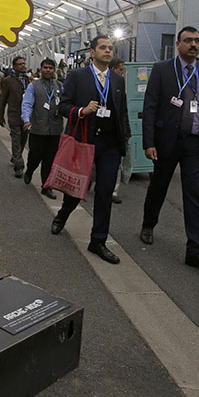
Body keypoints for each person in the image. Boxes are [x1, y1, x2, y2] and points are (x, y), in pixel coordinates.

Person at [140, 26, 199, 270]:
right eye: (188, 40)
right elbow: (150, 106)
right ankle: (148, 223)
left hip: (195, 144)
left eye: (197, 40)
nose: (193, 45)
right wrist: (149, 142)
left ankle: (196, 251)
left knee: (195, 196)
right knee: (159, 186)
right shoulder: (163, 69)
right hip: (167, 141)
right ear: (178, 44)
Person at [52, 35, 130, 264]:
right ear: (92, 52)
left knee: (105, 193)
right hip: (84, 141)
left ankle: (98, 241)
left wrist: (125, 138)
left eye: (110, 48)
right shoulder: (77, 76)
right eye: (103, 48)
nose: (108, 51)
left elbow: (121, 112)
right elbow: (63, 106)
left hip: (110, 145)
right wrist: (81, 111)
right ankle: (63, 214)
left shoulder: (117, 79)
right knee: (77, 189)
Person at [21, 58, 64, 199]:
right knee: (35, 156)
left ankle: (46, 186)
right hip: (37, 128)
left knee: (50, 160)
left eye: (51, 68)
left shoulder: (59, 86)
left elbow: (65, 103)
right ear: (41, 69)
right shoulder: (34, 86)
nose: (48, 70)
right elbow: (27, 104)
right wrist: (26, 120)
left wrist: (62, 109)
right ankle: (30, 171)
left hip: (54, 129)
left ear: (54, 70)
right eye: (45, 68)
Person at [0, 56, 30, 177]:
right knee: (16, 139)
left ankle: (15, 157)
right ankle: (19, 165)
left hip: (26, 116)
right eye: (20, 64)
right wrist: (0, 116)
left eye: (24, 63)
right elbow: (3, 99)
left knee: (23, 139)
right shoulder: (8, 81)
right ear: (14, 66)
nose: (23, 66)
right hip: (14, 114)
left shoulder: (27, 79)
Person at [110, 58, 127, 204]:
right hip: (101, 133)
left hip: (118, 134)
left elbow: (123, 112)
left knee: (118, 165)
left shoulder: (120, 84)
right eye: (121, 69)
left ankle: (114, 191)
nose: (122, 73)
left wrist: (126, 132)